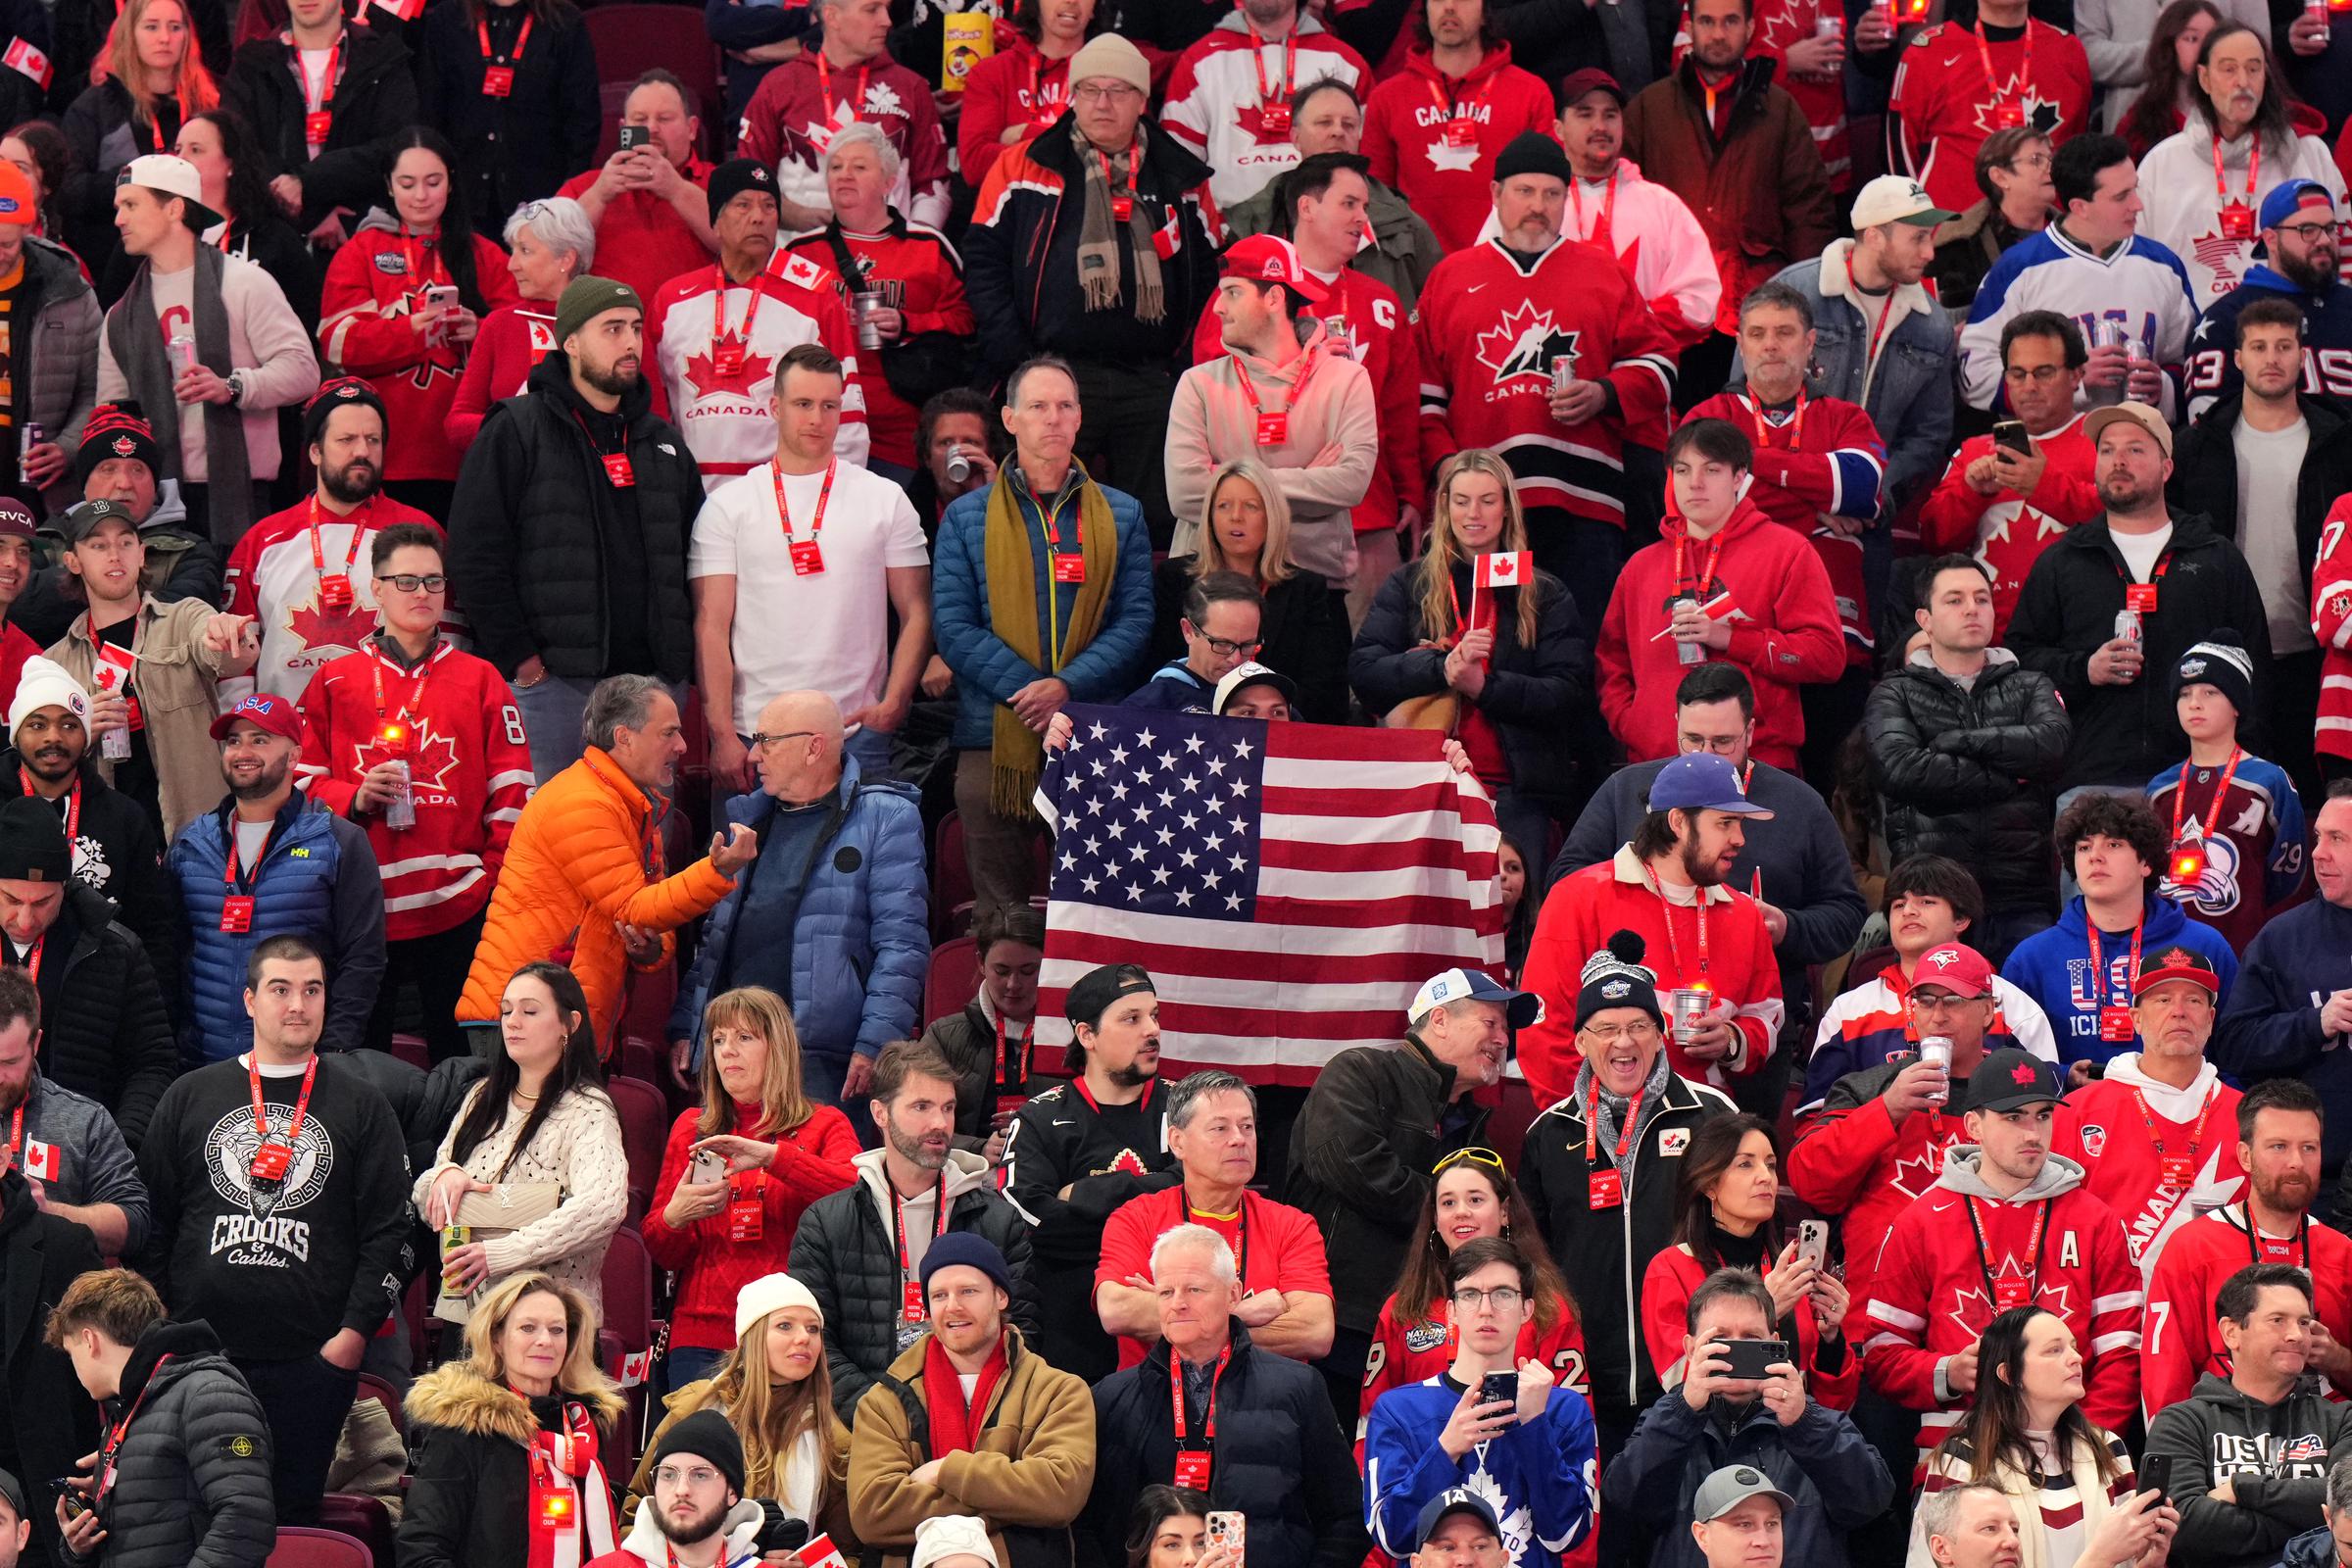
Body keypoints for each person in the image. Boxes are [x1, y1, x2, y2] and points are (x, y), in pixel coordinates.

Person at [132, 934, 409, 1523]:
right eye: (280, 990)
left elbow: (389, 1231)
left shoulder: (364, 1107)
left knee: (288, 1525)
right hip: (198, 1358)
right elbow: (154, 1221)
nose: (298, 1006)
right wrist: (164, 1331)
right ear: (250, 1000)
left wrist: (349, 1340)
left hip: (311, 1362)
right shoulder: (190, 1095)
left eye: (312, 991)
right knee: (194, 1521)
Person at [445, 277, 706, 783]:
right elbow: (476, 554)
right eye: (612, 329)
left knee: (647, 845)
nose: (630, 343)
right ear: (569, 342)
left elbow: (695, 565)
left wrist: (678, 668)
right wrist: (524, 663)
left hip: (653, 688)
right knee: (557, 844)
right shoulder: (516, 428)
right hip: (555, 685)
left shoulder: (664, 443)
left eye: (634, 328)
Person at [1555, 662, 1867, 1079]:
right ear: (1675, 725)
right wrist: (1637, 910)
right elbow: (1566, 882)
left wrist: (1785, 928)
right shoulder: (1627, 789)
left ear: (1751, 733)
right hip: (1629, 1027)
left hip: (1757, 1029)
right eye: (1692, 740)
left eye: (1723, 743)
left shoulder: (1800, 804)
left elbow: (1845, 915)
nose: (1705, 755)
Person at [963, 35, 1220, 541]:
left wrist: (1183, 365)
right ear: (1072, 96)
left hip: (1150, 380)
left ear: (1143, 101)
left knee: (1153, 528)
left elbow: (1210, 274)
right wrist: (1020, 360)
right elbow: (984, 263)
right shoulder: (1022, 164)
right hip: (1055, 378)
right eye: (1090, 89)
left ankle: (1147, 620)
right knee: (1045, 518)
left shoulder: (1180, 175)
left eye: (1119, 90)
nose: (1103, 103)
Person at [292, 521, 529, 1062]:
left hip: (456, 904)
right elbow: (300, 781)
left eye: (433, 581)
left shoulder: (481, 677)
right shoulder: (335, 679)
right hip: (360, 905)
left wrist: (485, 879)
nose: (421, 593)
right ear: (375, 588)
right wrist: (352, 795)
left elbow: (514, 790)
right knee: (360, 1066)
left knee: (460, 1067)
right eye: (405, 581)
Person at [1413, 130, 1679, 610]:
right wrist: (1446, 463)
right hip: (1487, 511)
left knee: (1584, 633)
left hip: (1587, 505)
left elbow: (1658, 363)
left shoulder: (1603, 271)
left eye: (1552, 194)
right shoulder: (1450, 277)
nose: (1539, 205)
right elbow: (1424, 395)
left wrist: (1605, 392)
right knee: (1501, 632)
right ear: (1496, 194)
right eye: (1525, 191)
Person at [931, 356, 1152, 918]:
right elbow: (954, 629)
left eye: (1065, 406)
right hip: (993, 736)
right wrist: (1035, 691)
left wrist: (1067, 687)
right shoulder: (965, 517)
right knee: (1000, 917)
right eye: (1037, 407)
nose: (1052, 419)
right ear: (1009, 419)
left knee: (1094, 910)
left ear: (1080, 418)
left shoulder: (1122, 514)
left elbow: (1134, 622)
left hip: (1090, 732)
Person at [1857, 1050, 2144, 1466]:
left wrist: (2083, 1443)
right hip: (1955, 1450)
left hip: (2075, 1450)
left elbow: (2121, 1353)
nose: (2032, 1133)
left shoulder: (2097, 1220)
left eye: (2043, 1115)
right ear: (1973, 1125)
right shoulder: (1919, 1221)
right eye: (2014, 1117)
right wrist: (1949, 1372)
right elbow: (1883, 1353)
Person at [1517, 934, 1736, 1459]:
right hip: (1584, 1377)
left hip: (1692, 1377)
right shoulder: (1548, 1134)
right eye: (1607, 1028)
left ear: (1661, 1036)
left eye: (1639, 1026)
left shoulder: (1710, 1116)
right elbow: (1530, 1257)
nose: (1624, 1042)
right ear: (1580, 1042)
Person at [457, 674, 755, 1052]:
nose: (682, 745)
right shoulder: (582, 802)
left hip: (561, 1015)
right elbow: (636, 907)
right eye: (668, 733)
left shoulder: (632, 805)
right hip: (521, 1020)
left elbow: (647, 914)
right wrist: (717, 870)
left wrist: (650, 948)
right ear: (624, 737)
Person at [668, 689, 928, 1113]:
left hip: (823, 1056)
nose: (754, 755)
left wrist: (875, 1042)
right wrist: (689, 1026)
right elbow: (714, 940)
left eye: (766, 740)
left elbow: (902, 945)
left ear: (814, 747)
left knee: (816, 1179)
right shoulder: (747, 816)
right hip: (735, 1046)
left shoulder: (886, 816)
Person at [1289, 965, 1527, 1413]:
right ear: (1439, 1020)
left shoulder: (1473, 1127)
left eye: (1506, 1029)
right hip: (1343, 1326)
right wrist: (1459, 1205)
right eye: (1490, 1023)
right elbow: (1358, 1171)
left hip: (1428, 1335)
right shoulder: (1358, 1072)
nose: (1502, 1040)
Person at [2005, 401, 2272, 800]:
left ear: (2167, 468)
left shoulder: (2216, 557)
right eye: (2107, 450)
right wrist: (2085, 669)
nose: (2118, 461)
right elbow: (2020, 661)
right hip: (2091, 778)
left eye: (2135, 449)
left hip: (2199, 779)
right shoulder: (2062, 561)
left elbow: (2255, 668)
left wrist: (2238, 765)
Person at [686, 345, 923, 790]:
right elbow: (710, 626)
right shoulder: (727, 505)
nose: (817, 418)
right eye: (803, 404)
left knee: (864, 861)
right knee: (750, 861)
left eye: (829, 405)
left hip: (856, 731)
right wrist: (721, 734)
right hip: (756, 734)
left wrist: (893, 704)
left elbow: (917, 611)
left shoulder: (886, 498)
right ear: (775, 407)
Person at [1081, 1222, 1368, 1565]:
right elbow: (1089, 1527)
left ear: (1233, 1294)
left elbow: (1345, 1518)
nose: (1179, 1304)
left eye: (1194, 1290)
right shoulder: (1109, 1399)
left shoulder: (1298, 1388)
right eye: (1166, 1292)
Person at [1792, 938, 2050, 1319]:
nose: (1937, 1015)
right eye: (1925, 1000)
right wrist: (1887, 1110)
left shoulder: (2019, 1093)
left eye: (1953, 1000)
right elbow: (1811, 1181)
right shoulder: (1871, 1086)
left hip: (1986, 1316)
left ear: (1987, 1012)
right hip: (1876, 1313)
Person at [1349, 448, 1590, 856]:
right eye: (1462, 501)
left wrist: (1484, 686)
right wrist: (1440, 667)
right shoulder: (1409, 584)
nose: (1473, 513)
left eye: (1487, 500)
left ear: (1507, 510)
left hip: (1515, 789)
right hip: (1423, 783)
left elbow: (1568, 693)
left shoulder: (1544, 592)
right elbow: (1365, 672)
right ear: (1445, 507)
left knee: (1510, 911)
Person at [788, 1039, 1040, 1417]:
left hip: (973, 1425)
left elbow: (1021, 1336)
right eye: (921, 1107)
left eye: (948, 1108)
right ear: (880, 1113)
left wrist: (961, 1408)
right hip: (860, 1431)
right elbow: (815, 1342)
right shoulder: (826, 1223)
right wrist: (887, 1414)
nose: (940, 1123)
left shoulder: (998, 1221)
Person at [1520, 749, 1787, 1095]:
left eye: (1740, 823)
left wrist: (1733, 1040)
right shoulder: (1578, 897)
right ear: (1677, 822)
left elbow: (1767, 1014)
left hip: (1708, 1132)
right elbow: (1544, 1033)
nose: (1739, 838)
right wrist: (1589, 1127)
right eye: (1725, 822)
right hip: (1601, 1133)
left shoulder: (1745, 913)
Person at [1684, 282, 1889, 719]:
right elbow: (1689, 505)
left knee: (1833, 775)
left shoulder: (1846, 417)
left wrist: (1747, 463)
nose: (1770, 345)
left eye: (1784, 332)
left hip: (1831, 630)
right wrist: (1815, 503)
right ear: (1739, 344)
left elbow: (1861, 488)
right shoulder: (1707, 417)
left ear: (1810, 341)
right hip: (1734, 626)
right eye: (1757, 334)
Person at [96, 152, 320, 546]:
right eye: (118, 208)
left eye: (131, 204)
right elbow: (110, 417)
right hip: (154, 500)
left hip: (242, 493)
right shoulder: (119, 316)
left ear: (175, 209)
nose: (118, 220)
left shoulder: (246, 283)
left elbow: (304, 370)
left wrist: (231, 387)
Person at [1596, 419, 1843, 776]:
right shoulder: (1640, 566)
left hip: (1756, 764)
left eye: (1711, 469)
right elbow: (1611, 662)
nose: (1695, 483)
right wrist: (1632, 723)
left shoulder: (1787, 551)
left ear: (1739, 477)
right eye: (1682, 470)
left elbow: (1826, 656)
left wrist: (1731, 639)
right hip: (1657, 763)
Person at [2172, 305, 2352, 795]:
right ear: (2237, 358)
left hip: (2320, 651)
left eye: (2283, 346)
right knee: (2232, 799)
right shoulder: (2198, 444)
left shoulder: (2339, 440)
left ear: (2302, 355)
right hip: (2225, 648)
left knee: (2319, 798)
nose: (2271, 358)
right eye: (2258, 347)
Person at [650, 984, 862, 1390]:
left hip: (789, 1333)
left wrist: (773, 1158)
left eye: (744, 1038)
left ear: (777, 1049)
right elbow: (664, 1250)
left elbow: (858, 1194)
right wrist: (674, 1218)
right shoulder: (692, 1128)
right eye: (718, 1040)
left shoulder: (824, 1124)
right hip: (702, 1335)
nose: (727, 1050)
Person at [1608, 1268, 1893, 1568]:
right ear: (1691, 1349)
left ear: (1775, 1343)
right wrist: (1683, 1411)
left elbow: (1870, 1502)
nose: (1735, 1351)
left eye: (1750, 1338)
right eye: (1720, 1339)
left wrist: (1804, 1423)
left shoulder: (1815, 1421)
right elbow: (1625, 1503)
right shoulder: (1666, 1420)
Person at [1622, 0, 1835, 399]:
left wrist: (1806, 305)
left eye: (1730, 21)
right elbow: (1622, 207)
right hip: (1671, 311)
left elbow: (1809, 211)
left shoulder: (1779, 108)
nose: (1718, 34)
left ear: (1751, 27)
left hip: (1755, 307)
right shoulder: (1649, 108)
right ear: (1690, 27)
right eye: (1707, 21)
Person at [845, 1233, 1096, 1566]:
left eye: (968, 1291)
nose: (952, 1306)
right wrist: (1014, 1504)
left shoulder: (1059, 1392)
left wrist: (946, 1470)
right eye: (939, 1295)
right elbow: (873, 1514)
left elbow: (1059, 1494)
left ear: (1001, 1296)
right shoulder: (882, 1402)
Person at [1864, 557, 2072, 954]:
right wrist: (2009, 776)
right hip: (1930, 896)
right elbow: (1901, 770)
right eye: (1955, 600)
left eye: (1981, 598)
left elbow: (2053, 747)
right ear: (1924, 619)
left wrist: (1959, 741)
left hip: (2022, 893)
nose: (1972, 608)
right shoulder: (1895, 692)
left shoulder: (2031, 685)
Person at [165, 688, 385, 1061]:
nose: (243, 752)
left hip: (302, 1062)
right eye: (234, 741)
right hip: (203, 1062)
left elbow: (363, 958)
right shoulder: (189, 842)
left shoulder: (339, 840)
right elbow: (167, 952)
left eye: (260, 740)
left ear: (295, 755)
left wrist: (331, 1052)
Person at [316, 129, 518, 520]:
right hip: (384, 451)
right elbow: (337, 344)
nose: (421, 196)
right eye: (407, 184)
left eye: (433, 182)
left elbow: (524, 342)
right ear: (389, 187)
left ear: (452, 183)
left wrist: (481, 330)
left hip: (467, 454)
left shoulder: (485, 255)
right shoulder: (360, 251)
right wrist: (409, 332)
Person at [1363, 1237, 1596, 1563]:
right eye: (1470, 1295)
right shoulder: (1398, 1411)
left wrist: (1533, 1427)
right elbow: (1394, 1539)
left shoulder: (1562, 1409)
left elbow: (1565, 1534)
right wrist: (1445, 1449)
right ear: (1451, 1311)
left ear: (1527, 1309)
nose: (1486, 1309)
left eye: (1503, 1294)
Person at [1166, 235, 1376, 592]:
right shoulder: (1197, 383)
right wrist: (1308, 479)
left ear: (1275, 298)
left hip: (1314, 584)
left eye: (1232, 292)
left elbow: (1351, 483)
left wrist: (1228, 486)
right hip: (1212, 588)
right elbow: (1185, 493)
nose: (1217, 307)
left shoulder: (1347, 378)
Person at [44, 498, 260, 841]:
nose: (115, 554)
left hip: (197, 836)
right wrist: (79, 731)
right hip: (108, 845)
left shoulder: (185, 617)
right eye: (98, 545)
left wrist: (233, 636)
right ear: (72, 561)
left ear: (142, 554)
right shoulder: (55, 663)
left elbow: (228, 656)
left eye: (126, 542)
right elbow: (41, 763)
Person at [998, 961, 1174, 1381]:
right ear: (1087, 1034)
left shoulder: (1187, 1108)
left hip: (1169, 1323)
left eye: (1154, 1016)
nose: (1151, 1030)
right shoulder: (1039, 1118)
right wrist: (1152, 1205)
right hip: (1067, 1335)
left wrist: (1082, 1194)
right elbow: (1028, 1219)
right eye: (1131, 1019)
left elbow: (1199, 1196)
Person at [417, 961, 628, 1310]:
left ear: (570, 1024)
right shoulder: (481, 1097)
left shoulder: (588, 1110)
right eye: (506, 1011)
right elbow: (425, 1196)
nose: (512, 1021)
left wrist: (501, 1254)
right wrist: (444, 1177)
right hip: (471, 1314)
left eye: (530, 1011)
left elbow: (603, 1206)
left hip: (553, 1321)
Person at [220, 378, 443, 704]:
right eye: (346, 439)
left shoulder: (421, 532)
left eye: (373, 439)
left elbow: (450, 644)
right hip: (286, 738)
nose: (363, 451)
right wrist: (243, 729)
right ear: (315, 451)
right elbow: (235, 658)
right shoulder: (263, 541)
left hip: (392, 737)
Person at [1095, 1068, 1334, 1370]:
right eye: (1220, 1129)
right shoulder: (1136, 1217)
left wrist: (1174, 1312)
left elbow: (1316, 1332)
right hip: (1158, 1401)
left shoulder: (1292, 1225)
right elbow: (1117, 1311)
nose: (1239, 1139)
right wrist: (1241, 1313)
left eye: (1247, 1127)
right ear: (1177, 1142)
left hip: (1261, 1404)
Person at [649, 160, 868, 488]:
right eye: (742, 205)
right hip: (692, 495)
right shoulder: (671, 300)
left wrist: (831, 496)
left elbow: (846, 409)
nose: (758, 216)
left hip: (779, 496)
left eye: (769, 206)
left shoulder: (815, 295)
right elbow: (653, 408)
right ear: (716, 221)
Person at [2140, 1080, 2352, 1416]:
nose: (2296, 1162)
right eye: (2279, 1146)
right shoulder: (2192, 1248)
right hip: (2223, 1448)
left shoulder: (2342, 1252)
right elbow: (2165, 1379)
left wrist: (2338, 1358)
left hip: (2327, 1446)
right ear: (2245, 1156)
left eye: (2309, 1147)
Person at [43, 1267, 274, 1568]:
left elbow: (246, 1521)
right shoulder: (128, 1412)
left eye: (71, 1353)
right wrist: (81, 1546)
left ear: (89, 1341)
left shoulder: (208, 1393)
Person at [1909, 1304, 2174, 1568]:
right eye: (2054, 1350)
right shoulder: (1961, 1459)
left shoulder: (2108, 1448)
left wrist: (2147, 1565)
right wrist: (2099, 1558)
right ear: (2009, 1374)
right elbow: (1925, 1562)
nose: (2076, 1358)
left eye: (2073, 1347)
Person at [780, 124, 975, 478]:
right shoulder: (799, 253)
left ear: (889, 182)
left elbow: (967, 321)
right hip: (823, 425)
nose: (844, 176)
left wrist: (908, 324)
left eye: (859, 167)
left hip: (903, 429)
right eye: (836, 168)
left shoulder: (928, 247)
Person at [397, 1271, 628, 1568]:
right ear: (496, 1339)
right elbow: (420, 1553)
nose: (545, 1341)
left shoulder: (584, 1426)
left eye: (557, 1330)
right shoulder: (463, 1426)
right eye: (528, 1328)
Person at [1766, 175, 1958, 533]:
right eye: (1917, 237)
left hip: (1866, 520)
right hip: (1781, 513)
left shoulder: (1933, 326)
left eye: (1929, 238)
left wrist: (1866, 494)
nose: (1930, 253)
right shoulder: (1791, 294)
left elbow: (1928, 435)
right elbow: (1745, 401)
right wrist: (1805, 495)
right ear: (1873, 236)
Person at [1958, 136, 2195, 423]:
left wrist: (2164, 387)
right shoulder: (2018, 269)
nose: (2138, 205)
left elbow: (2190, 359)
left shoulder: (2164, 264)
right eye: (2121, 197)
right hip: (2048, 455)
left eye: (2135, 189)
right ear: (2080, 207)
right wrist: (2071, 382)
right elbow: (1974, 374)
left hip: (2144, 448)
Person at [2003, 793, 2239, 1074]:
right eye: (2083, 847)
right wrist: (2065, 1077)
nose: (2095, 857)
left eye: (2113, 844)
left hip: (2181, 1109)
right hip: (2073, 1111)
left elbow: (2236, 1050)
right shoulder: (2032, 958)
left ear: (2146, 863)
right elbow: (2007, 1060)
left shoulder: (2204, 946)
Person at [1357, 1150, 1587, 1431]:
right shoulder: (1403, 1307)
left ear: (1504, 1211)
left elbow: (1577, 1426)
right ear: (1435, 1219)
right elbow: (1372, 1421)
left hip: (1521, 1467)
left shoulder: (1546, 1307)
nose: (1462, 1212)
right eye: (1448, 1202)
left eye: (1476, 1200)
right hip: (1423, 1471)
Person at [2050, 945, 2245, 1270]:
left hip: (2222, 1307)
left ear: (2211, 1020)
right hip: (2114, 1308)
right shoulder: (2076, 1111)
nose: (2179, 1011)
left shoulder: (2247, 1115)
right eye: (2163, 1000)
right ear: (2136, 1019)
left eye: (2194, 1000)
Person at [2142, 1262, 2351, 1568]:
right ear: (2231, 1332)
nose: (2296, 1335)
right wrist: (2308, 1526)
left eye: (2304, 1322)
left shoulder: (2342, 1418)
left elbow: (2347, 1511)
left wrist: (2241, 1487)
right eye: (2278, 1321)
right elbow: (2183, 1530)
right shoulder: (2182, 1422)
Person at [1640, 1115, 1857, 1407]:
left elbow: (1832, 1407)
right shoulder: (1669, 1269)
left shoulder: (1788, 1270)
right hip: (1712, 1447)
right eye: (1745, 1164)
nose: (1765, 1177)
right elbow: (1683, 1389)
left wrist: (1831, 1339)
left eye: (1770, 1164)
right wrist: (1767, 1309)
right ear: (1709, 1185)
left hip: (1791, 1443)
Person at [629, 1272, 857, 1545]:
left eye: (813, 1329)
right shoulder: (694, 1410)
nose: (803, 1338)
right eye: (785, 1326)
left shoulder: (834, 1439)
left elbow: (847, 1550)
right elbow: (634, 1517)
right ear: (753, 1337)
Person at [2135, 24, 2347, 313]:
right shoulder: (2162, 163)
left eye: (2253, 69)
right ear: (2204, 78)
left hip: (2295, 334)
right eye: (2229, 69)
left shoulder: (2308, 153)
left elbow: (2345, 245)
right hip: (2196, 337)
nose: (2243, 82)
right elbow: (2139, 262)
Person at [1916, 315, 2101, 636]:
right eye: (2017, 374)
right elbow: (1934, 539)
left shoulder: (2104, 440)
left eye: (2043, 372)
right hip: (1986, 640)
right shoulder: (1975, 450)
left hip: (2075, 634)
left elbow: (2128, 524)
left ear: (2076, 375)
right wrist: (1971, 494)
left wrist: (2043, 487)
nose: (2029, 386)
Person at [1, 656, 176, 993]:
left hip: (97, 1005)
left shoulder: (125, 818)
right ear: (16, 734)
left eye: (69, 725)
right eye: (37, 725)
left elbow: (155, 928)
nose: (53, 737)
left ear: (86, 734)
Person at [2216, 787, 2352, 1196]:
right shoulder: (2282, 938)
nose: (2317, 853)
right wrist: (2316, 1023)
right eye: (2318, 838)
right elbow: (2234, 1045)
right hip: (2315, 1186)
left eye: (2337, 839)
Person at [1212, 75, 1441, 311]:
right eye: (1324, 122)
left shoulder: (1405, 224)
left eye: (1348, 124)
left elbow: (1436, 313)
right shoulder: (1254, 221)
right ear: (1295, 137)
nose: (1338, 132)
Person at [1149, 460, 1349, 724]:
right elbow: (1158, 669)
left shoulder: (1306, 589)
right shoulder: (1175, 579)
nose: (1235, 517)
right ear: (1209, 516)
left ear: (1272, 515)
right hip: (1190, 728)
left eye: (1250, 506)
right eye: (1223, 506)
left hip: (1280, 732)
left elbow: (1321, 688)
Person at [2142, 631, 2310, 948]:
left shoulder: (2268, 781)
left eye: (2210, 692)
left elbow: (2289, 877)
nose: (2194, 704)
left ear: (2237, 704)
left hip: (2243, 946)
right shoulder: (2160, 788)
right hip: (2165, 951)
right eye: (2184, 693)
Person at [9, 403, 221, 651]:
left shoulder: (190, 551)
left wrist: (86, 586)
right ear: (85, 484)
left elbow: (175, 622)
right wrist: (128, 589)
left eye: (137, 469)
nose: (124, 483)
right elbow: (17, 605)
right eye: (108, 469)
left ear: (155, 483)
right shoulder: (48, 538)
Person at [736, 0, 950, 231]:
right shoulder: (778, 85)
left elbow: (933, 184)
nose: (887, 22)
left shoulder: (911, 87)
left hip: (892, 261)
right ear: (832, 16)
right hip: (797, 259)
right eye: (872, 10)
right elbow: (748, 179)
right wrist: (788, 213)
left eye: (886, 10)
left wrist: (916, 245)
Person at [1359, 0, 1551, 252]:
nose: (1449, 7)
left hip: (1505, 261)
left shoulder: (1530, 94)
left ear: (1486, 12)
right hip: (1417, 266)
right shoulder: (1388, 97)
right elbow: (1375, 197)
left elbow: (1547, 191)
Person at [220, 0, 415, 248]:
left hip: (360, 232)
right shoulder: (251, 64)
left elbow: (393, 147)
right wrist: (311, 216)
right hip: (273, 239)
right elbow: (239, 147)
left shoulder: (384, 58)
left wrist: (307, 183)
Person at [1886, 0, 2091, 217]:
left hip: (2047, 234)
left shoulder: (2068, 50)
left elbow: (2076, 156)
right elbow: (1901, 160)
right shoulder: (1927, 52)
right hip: (1953, 235)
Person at [57, 0, 220, 269]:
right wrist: (138, 178)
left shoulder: (209, 105)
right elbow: (69, 191)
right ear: (129, 34)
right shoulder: (95, 106)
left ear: (188, 37)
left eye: (175, 27)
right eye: (151, 27)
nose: (165, 38)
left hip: (198, 256)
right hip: (114, 259)